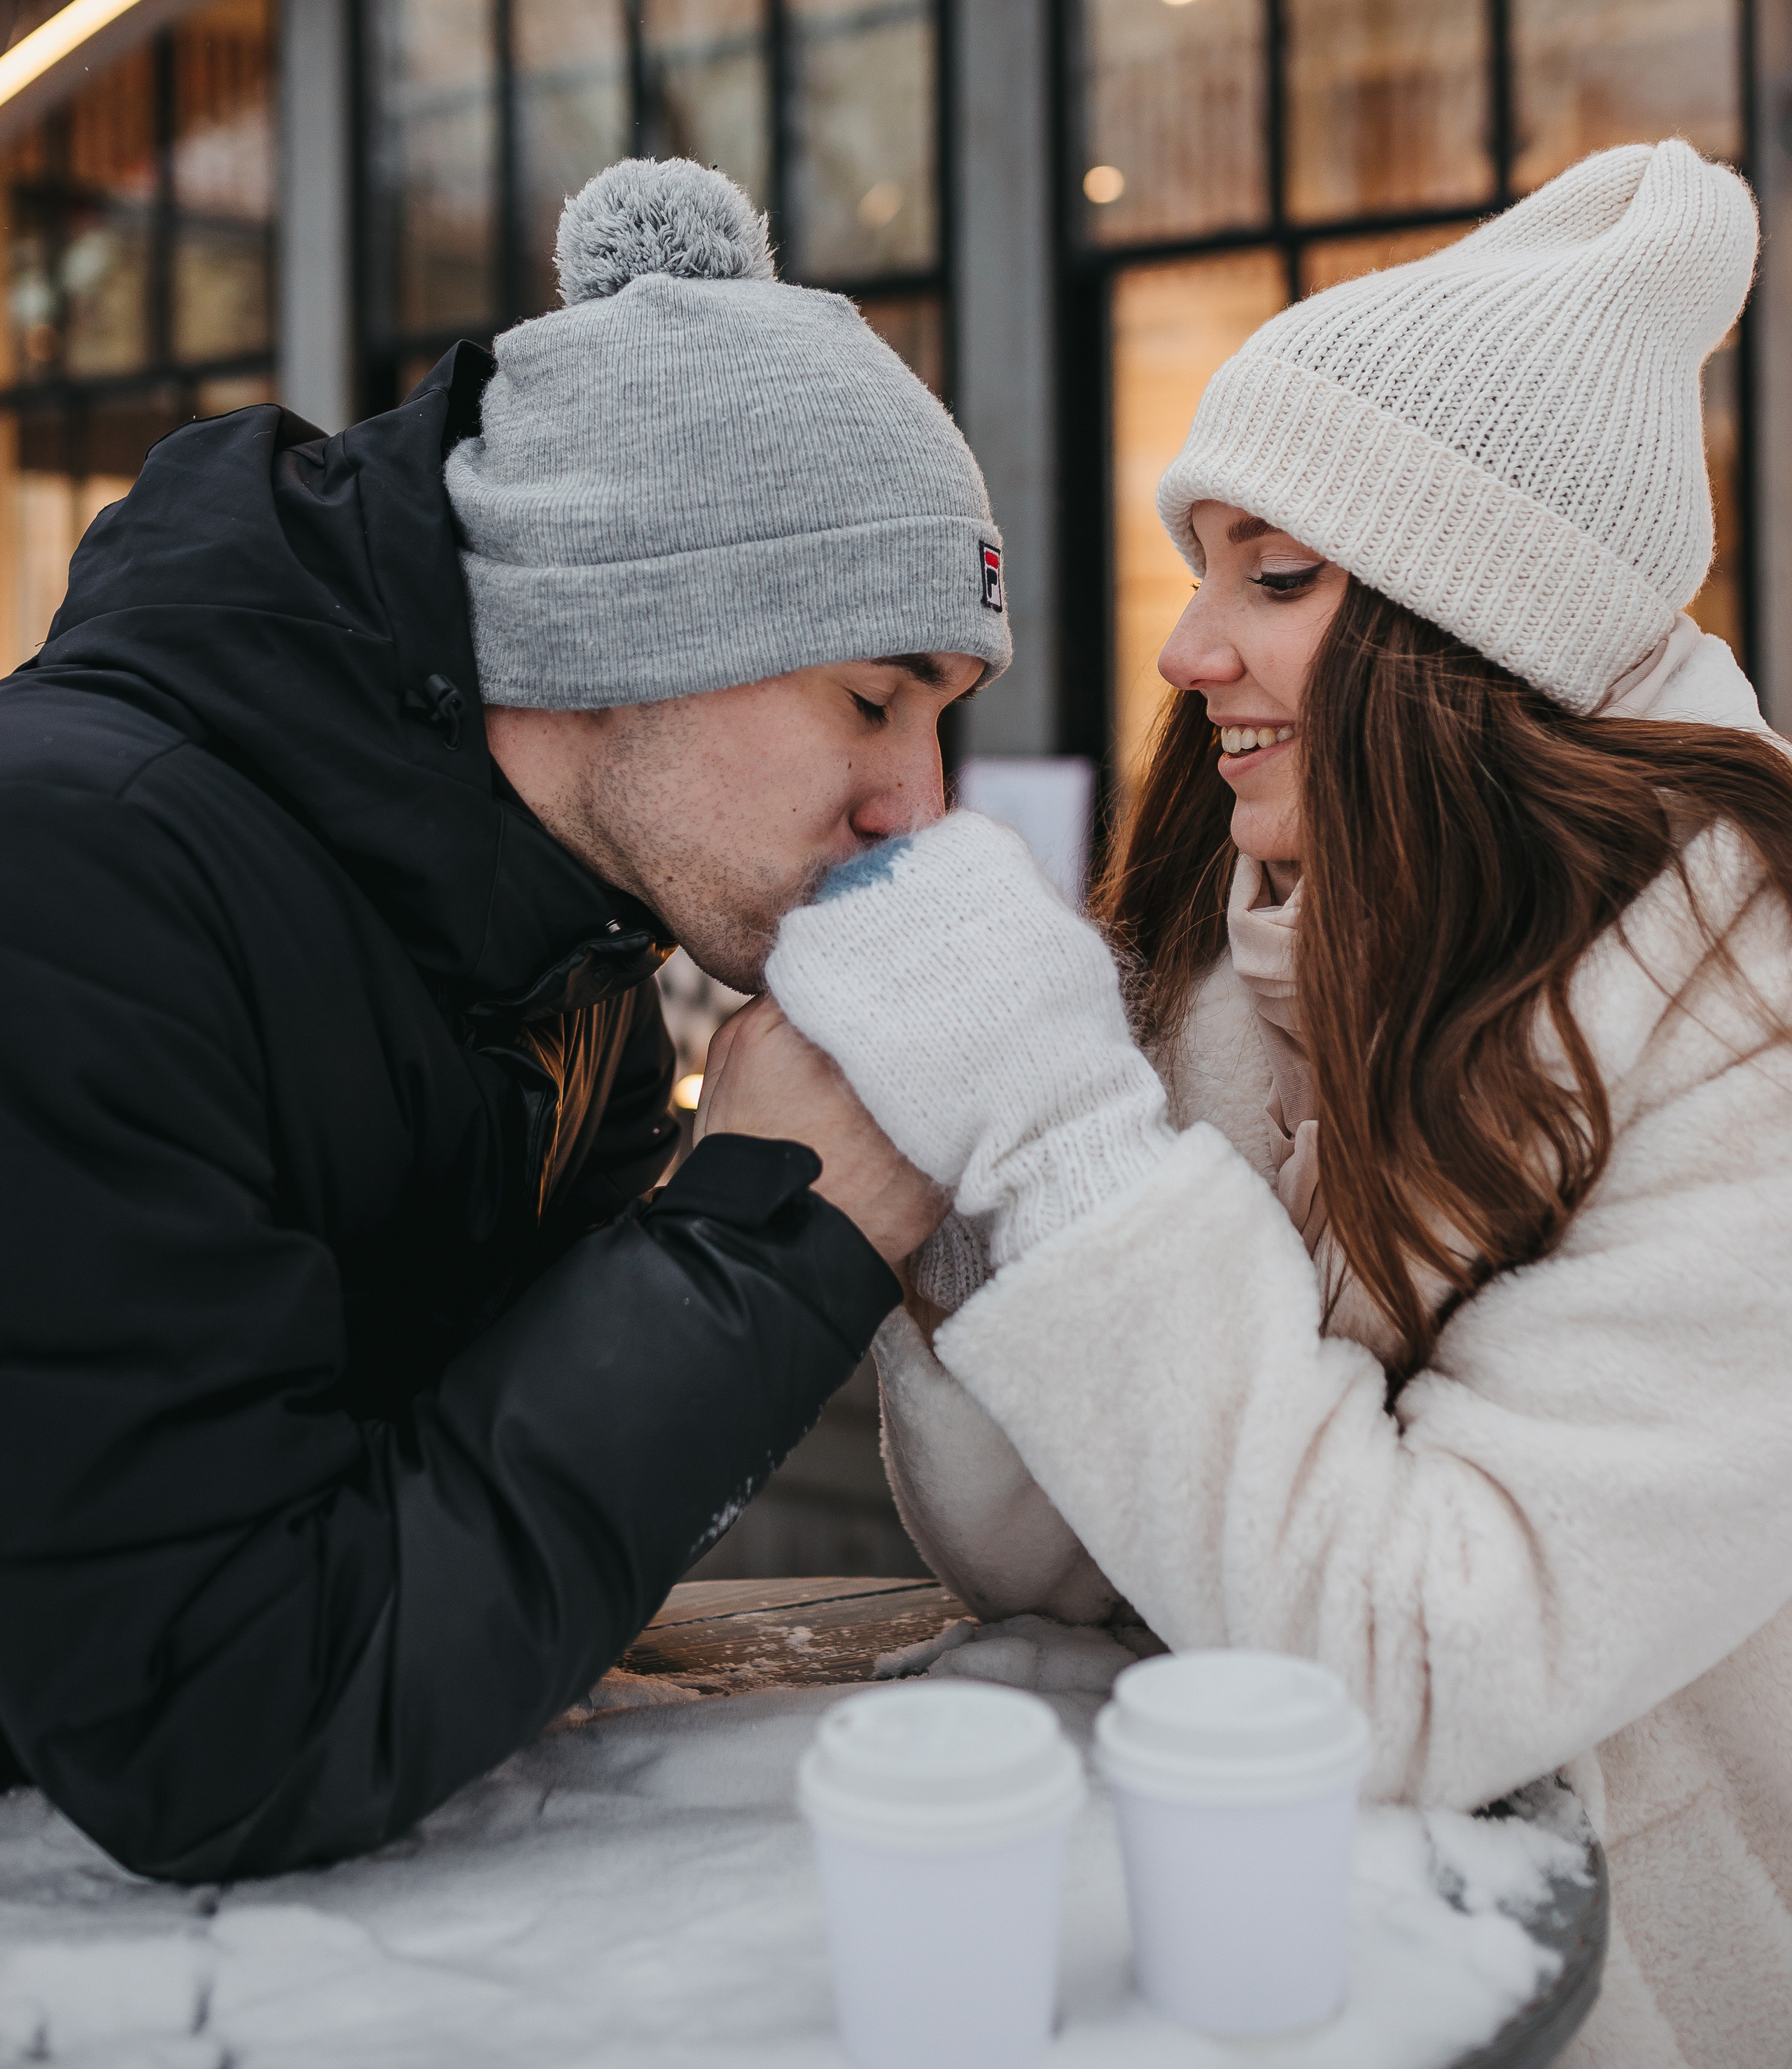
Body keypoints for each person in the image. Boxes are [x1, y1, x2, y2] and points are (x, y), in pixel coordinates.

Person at [705, 140, 1792, 2066]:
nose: (1189, 650)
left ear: (1481, 640)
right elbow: (1058, 1562)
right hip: (1255, 1970)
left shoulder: (1747, 1040)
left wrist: (1068, 1142)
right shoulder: (1246, 940)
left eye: (1275, 577)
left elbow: (1412, 1667)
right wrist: (973, 1197)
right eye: (1208, 570)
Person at [0, 157, 979, 1883]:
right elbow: (219, 1722)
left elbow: (467, 1553)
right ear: (625, 620)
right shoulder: (74, 884)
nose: (914, 800)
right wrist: (765, 1238)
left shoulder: (560, 954)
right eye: (871, 698)